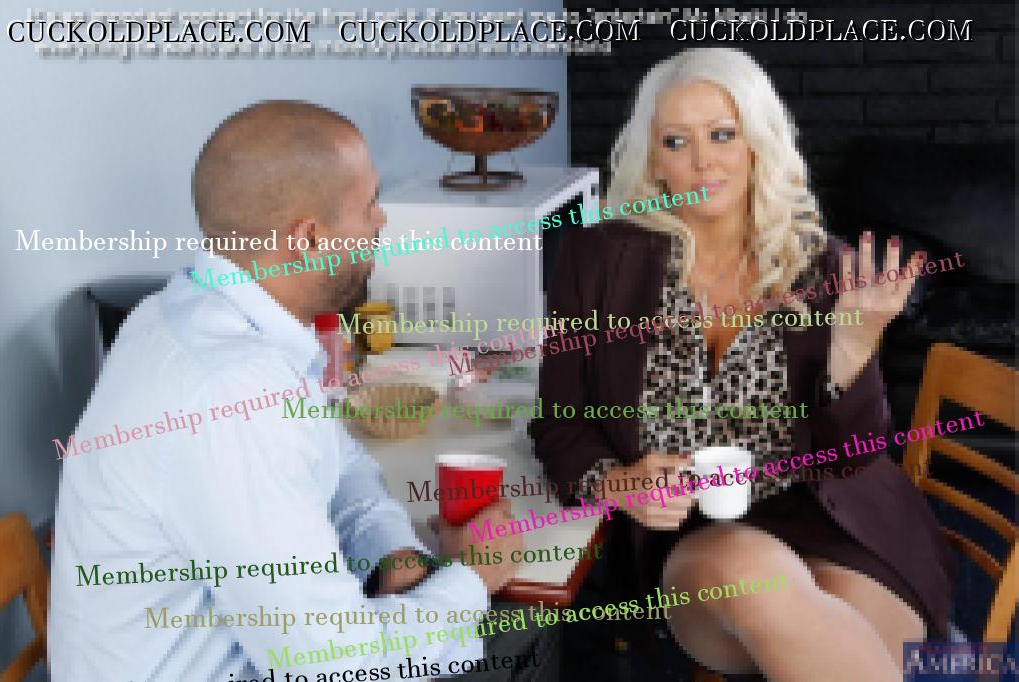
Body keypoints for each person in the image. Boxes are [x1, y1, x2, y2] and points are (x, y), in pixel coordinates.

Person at [48, 100, 522, 680]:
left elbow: (339, 463)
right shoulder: (229, 392)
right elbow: (336, 665)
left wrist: (391, 552)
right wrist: (473, 578)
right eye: (369, 204)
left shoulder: (188, 315)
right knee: (518, 641)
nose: (381, 221)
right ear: (308, 238)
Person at [529, 47, 955, 681]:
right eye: (676, 141)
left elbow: (854, 457)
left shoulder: (826, 266)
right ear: (653, 159)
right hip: (696, 540)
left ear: (759, 143)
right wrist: (616, 482)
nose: (702, 161)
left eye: (723, 134)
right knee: (754, 578)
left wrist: (852, 349)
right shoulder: (597, 261)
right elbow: (559, 422)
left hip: (836, 521)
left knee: (840, 643)